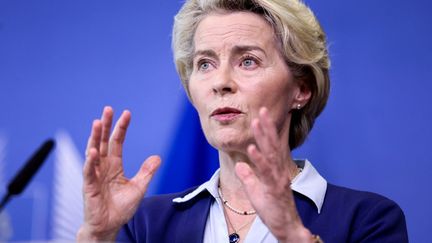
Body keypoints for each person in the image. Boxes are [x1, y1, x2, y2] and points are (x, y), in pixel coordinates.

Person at [77, 0, 408, 242]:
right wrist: (96, 235)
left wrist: (292, 236)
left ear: (301, 89)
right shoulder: (146, 224)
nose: (220, 82)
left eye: (248, 61)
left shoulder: (368, 221)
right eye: (205, 64)